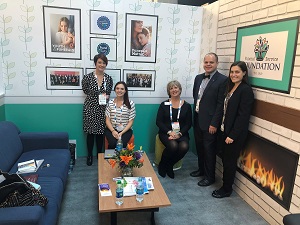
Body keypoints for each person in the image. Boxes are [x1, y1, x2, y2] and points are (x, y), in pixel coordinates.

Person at [212, 61, 254, 198]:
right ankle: (225, 186)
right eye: (232, 72)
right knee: (225, 160)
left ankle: (226, 189)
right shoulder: (230, 87)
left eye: (237, 72)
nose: (234, 74)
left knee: (229, 163)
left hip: (234, 135)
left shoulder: (245, 90)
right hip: (224, 131)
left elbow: (243, 116)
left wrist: (233, 135)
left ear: (244, 73)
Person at [190, 53, 227, 186]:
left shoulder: (223, 80)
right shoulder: (198, 78)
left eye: (211, 62)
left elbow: (220, 104)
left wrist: (214, 124)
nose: (208, 64)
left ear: (216, 63)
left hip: (210, 123)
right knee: (200, 147)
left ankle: (209, 177)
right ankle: (201, 170)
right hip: (198, 119)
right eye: (206, 62)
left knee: (209, 150)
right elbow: (197, 98)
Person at [156, 80, 192, 179]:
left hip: (181, 133)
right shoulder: (164, 105)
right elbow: (159, 122)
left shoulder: (187, 106)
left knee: (184, 146)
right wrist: (170, 132)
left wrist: (179, 134)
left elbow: (189, 124)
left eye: (176, 87)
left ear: (180, 90)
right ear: (169, 91)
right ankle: (162, 164)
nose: (174, 90)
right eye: (171, 88)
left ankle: (170, 165)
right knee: (173, 145)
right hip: (166, 132)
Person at [82, 53, 113, 166]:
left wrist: (105, 96)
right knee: (90, 134)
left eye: (104, 63)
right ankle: (89, 155)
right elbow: (85, 90)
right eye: (99, 62)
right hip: (90, 108)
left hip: (102, 109)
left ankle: (100, 155)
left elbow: (108, 92)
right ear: (95, 63)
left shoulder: (108, 79)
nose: (102, 64)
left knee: (100, 133)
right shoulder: (87, 77)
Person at [105, 81, 136, 149]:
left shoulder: (130, 103)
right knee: (113, 143)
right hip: (111, 129)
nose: (119, 90)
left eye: (122, 89)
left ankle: (124, 159)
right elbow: (107, 120)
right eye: (117, 88)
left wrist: (121, 133)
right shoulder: (110, 103)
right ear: (115, 90)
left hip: (125, 130)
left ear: (125, 91)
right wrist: (113, 131)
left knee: (122, 143)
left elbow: (131, 121)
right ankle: (111, 159)